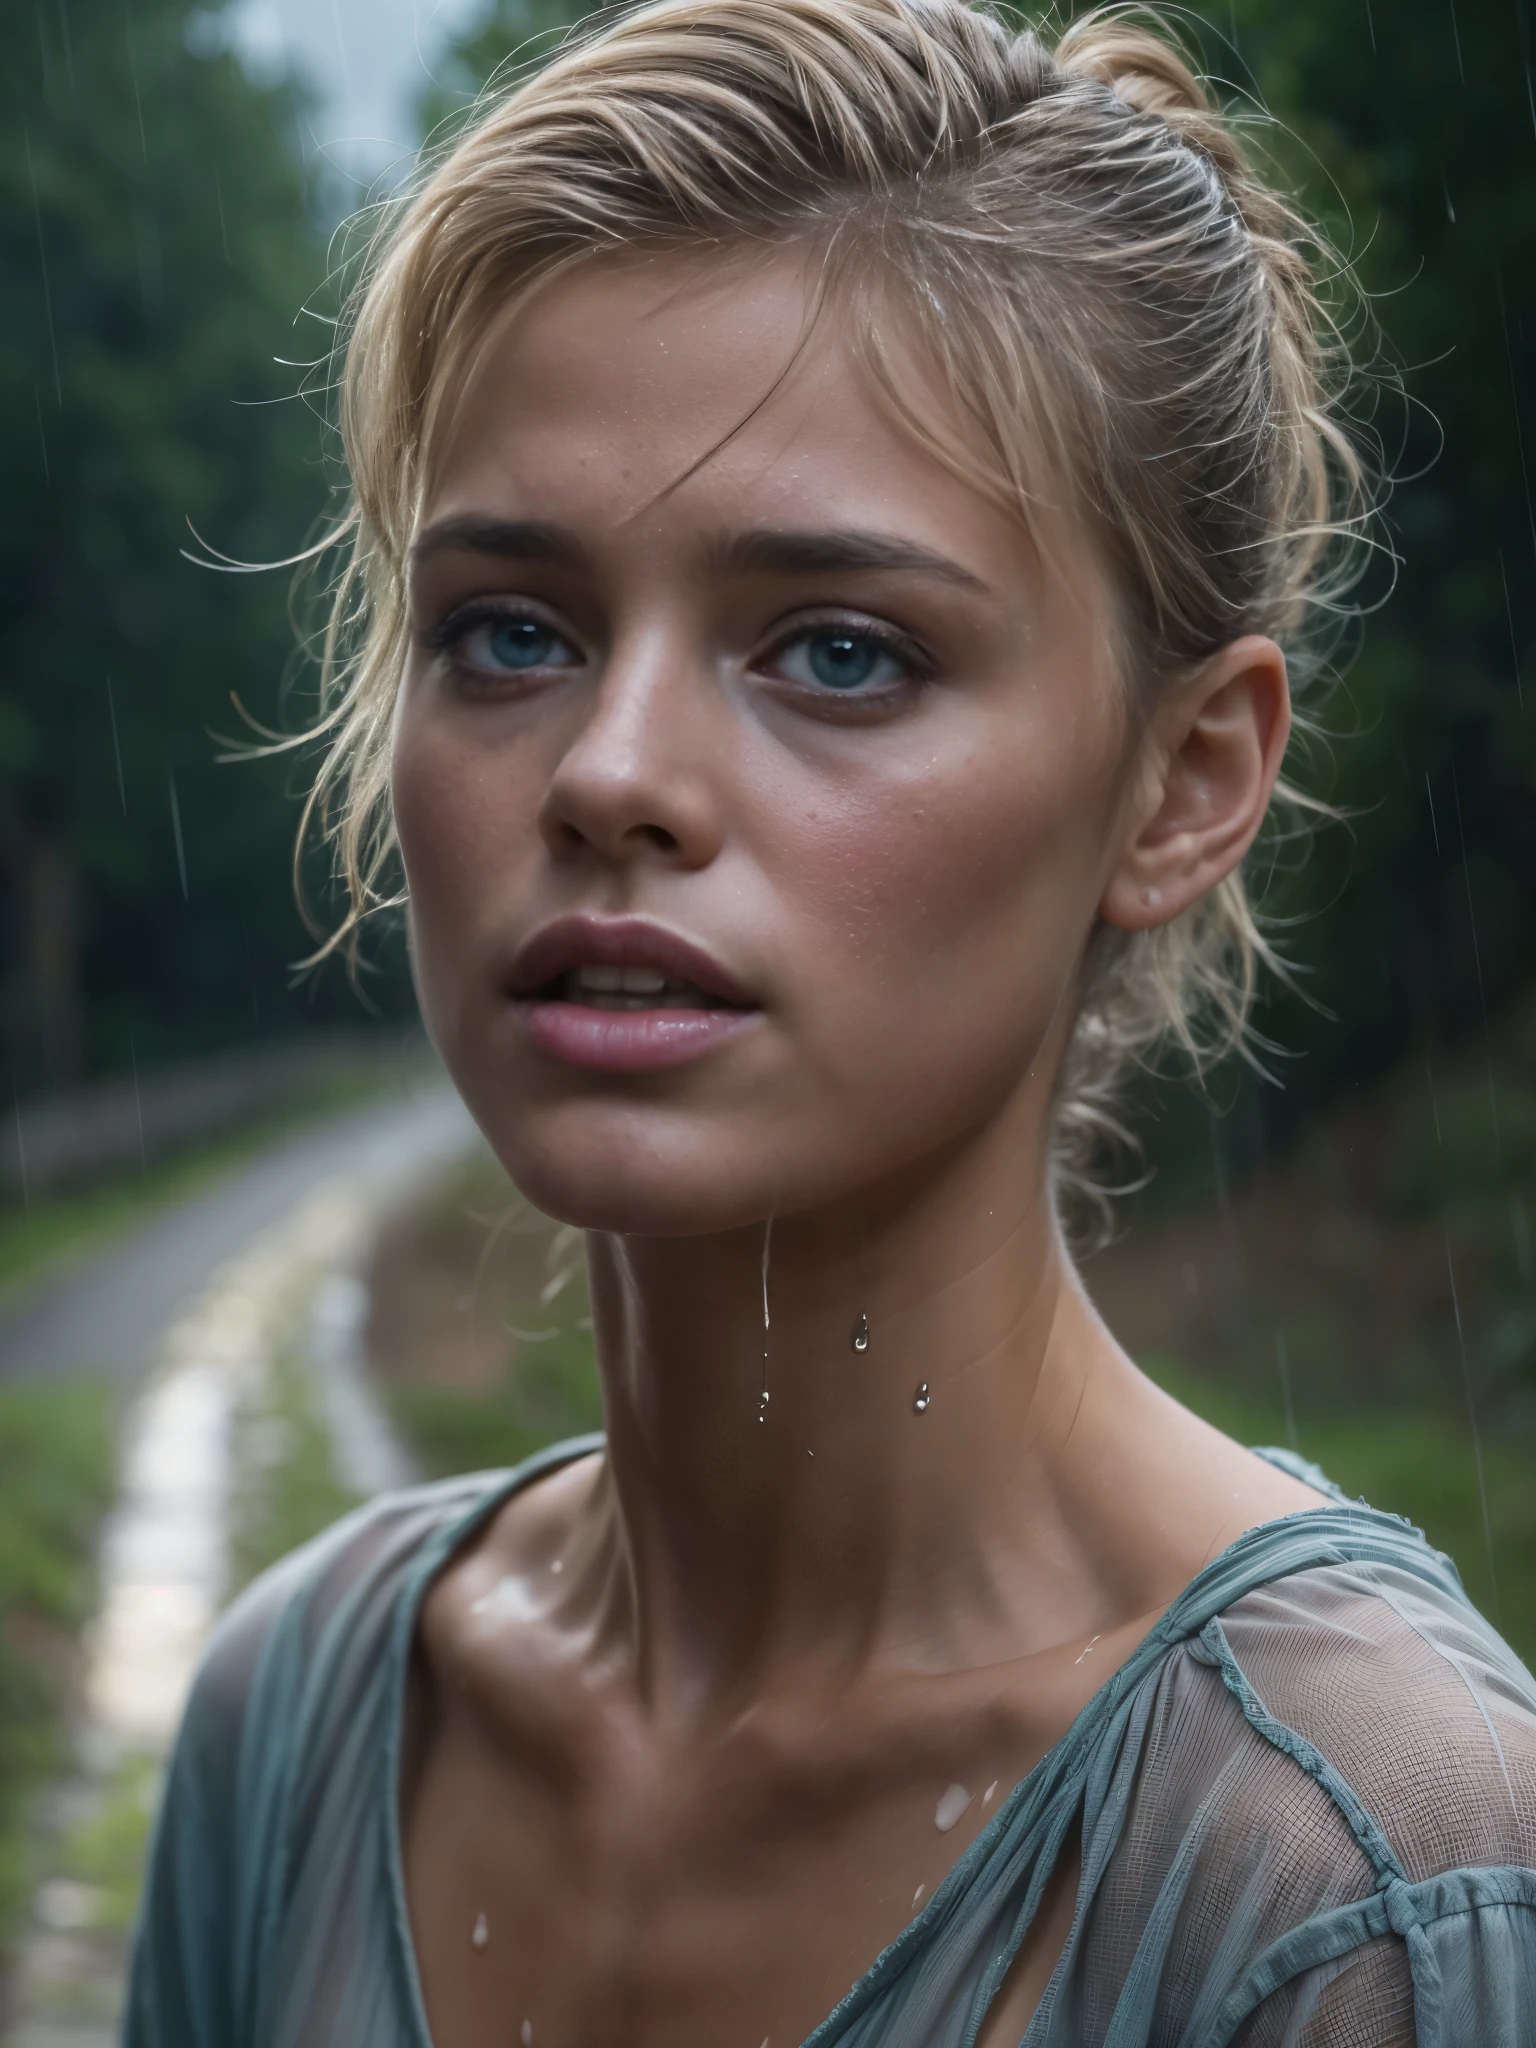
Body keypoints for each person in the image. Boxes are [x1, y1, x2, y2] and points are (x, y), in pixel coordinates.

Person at [125, 2, 1536, 2042]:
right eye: (509, 629)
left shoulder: (1376, 1887)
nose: (611, 772)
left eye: (843, 652)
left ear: (1183, 780)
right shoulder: (302, 1719)